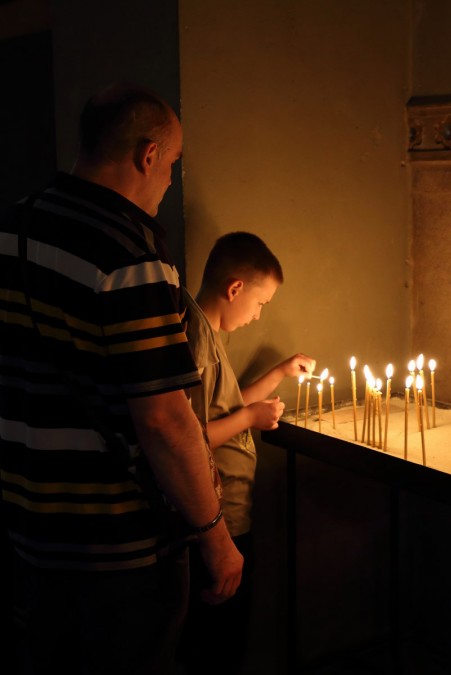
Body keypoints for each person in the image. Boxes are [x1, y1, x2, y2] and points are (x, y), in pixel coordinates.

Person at [0, 83, 242, 675]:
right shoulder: (131, 259)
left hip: (29, 529)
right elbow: (163, 419)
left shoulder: (13, 227)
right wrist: (215, 536)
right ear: (148, 154)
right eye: (173, 163)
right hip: (118, 548)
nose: (170, 180)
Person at [177, 231, 314, 674]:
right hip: (216, 521)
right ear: (235, 288)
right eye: (260, 303)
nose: (258, 316)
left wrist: (279, 373)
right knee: (217, 646)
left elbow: (227, 406)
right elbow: (189, 438)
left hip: (231, 515)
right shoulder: (196, 337)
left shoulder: (209, 331)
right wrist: (251, 418)